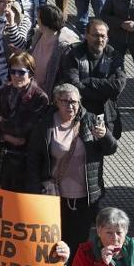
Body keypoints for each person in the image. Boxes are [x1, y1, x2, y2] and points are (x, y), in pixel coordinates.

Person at [26, 82, 118, 247]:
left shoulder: (90, 120)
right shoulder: (45, 124)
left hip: (85, 198)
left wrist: (105, 136)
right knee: (54, 243)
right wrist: (35, 190)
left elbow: (111, 149)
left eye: (74, 102)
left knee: (78, 243)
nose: (70, 105)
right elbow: (33, 158)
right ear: (56, 101)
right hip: (54, 197)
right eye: (65, 101)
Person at [0, 51, 49, 191]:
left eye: (21, 72)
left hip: (26, 161)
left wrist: (3, 124)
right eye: (13, 71)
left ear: (31, 73)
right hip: (2, 157)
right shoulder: (4, 91)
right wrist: (4, 136)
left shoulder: (40, 98)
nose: (16, 76)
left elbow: (24, 130)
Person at [59, 18, 127, 137]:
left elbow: (117, 86)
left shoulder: (114, 55)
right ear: (86, 35)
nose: (100, 39)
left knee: (104, 149)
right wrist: (104, 93)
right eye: (95, 35)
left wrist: (90, 81)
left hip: (106, 114)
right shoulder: (74, 54)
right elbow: (74, 86)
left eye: (103, 36)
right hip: (78, 114)